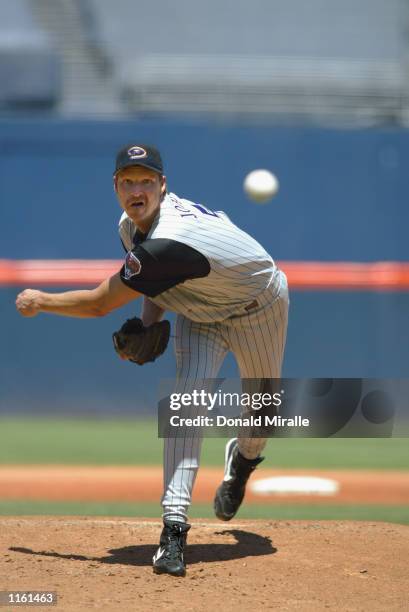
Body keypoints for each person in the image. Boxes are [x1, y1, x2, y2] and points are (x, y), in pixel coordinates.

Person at [16, 143, 289, 577]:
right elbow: (157, 286)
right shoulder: (130, 226)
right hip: (201, 313)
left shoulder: (171, 236)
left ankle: (243, 461)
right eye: (128, 180)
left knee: (262, 416)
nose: (136, 189)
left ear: (163, 186)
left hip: (260, 305)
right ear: (116, 186)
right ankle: (174, 530)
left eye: (146, 180)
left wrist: (42, 299)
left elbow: (99, 303)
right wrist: (146, 325)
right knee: (186, 408)